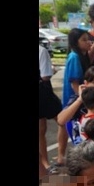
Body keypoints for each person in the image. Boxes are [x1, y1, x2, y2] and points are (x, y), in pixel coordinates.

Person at [54, 28, 94, 170]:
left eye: (87, 38)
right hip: (73, 98)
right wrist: (81, 98)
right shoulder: (74, 57)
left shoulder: (83, 55)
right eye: (83, 40)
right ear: (75, 43)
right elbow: (74, 83)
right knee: (66, 125)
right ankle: (61, 155)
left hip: (79, 97)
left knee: (72, 126)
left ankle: (69, 155)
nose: (87, 41)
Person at [40, 39, 63, 173]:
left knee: (41, 129)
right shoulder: (42, 51)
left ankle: (45, 163)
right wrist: (53, 70)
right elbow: (45, 76)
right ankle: (61, 155)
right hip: (43, 92)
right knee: (63, 120)